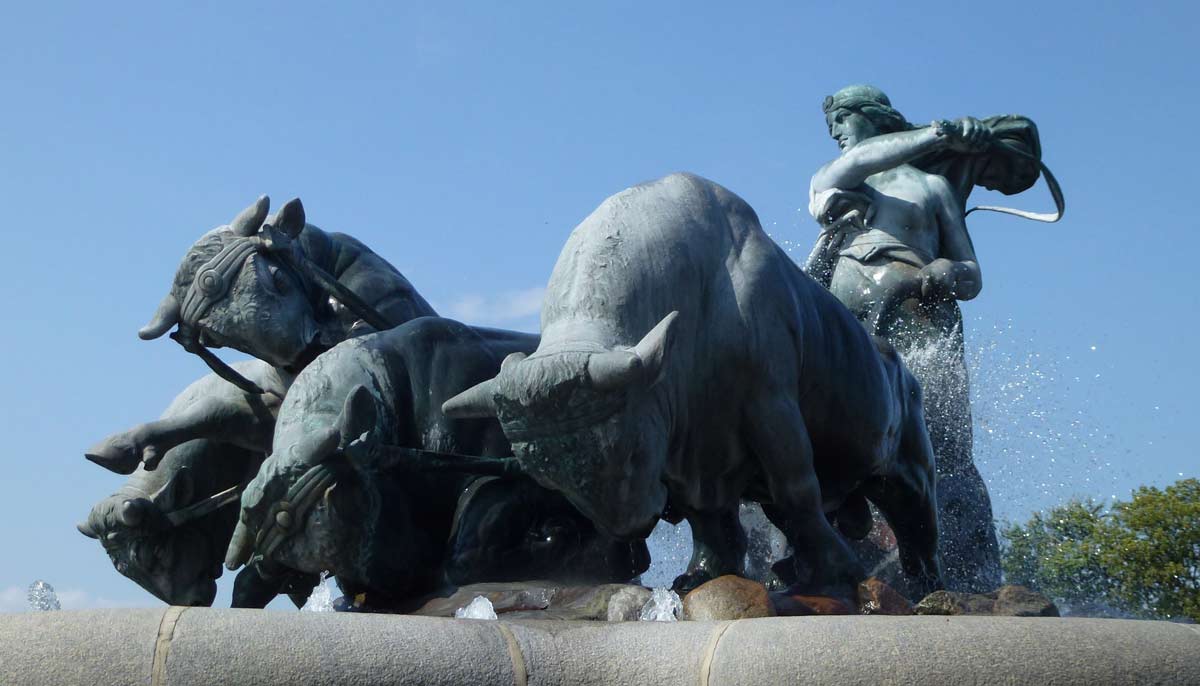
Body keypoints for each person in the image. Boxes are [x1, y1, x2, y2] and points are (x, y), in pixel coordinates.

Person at [805, 85, 1046, 592]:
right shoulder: (839, 180)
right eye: (830, 127)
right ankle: (830, 555)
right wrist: (941, 133)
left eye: (843, 119)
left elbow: (972, 275)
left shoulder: (932, 188)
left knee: (939, 436)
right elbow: (855, 162)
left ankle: (961, 573)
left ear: (874, 115)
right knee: (829, 431)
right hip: (846, 324)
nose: (835, 132)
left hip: (920, 316)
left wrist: (947, 270)